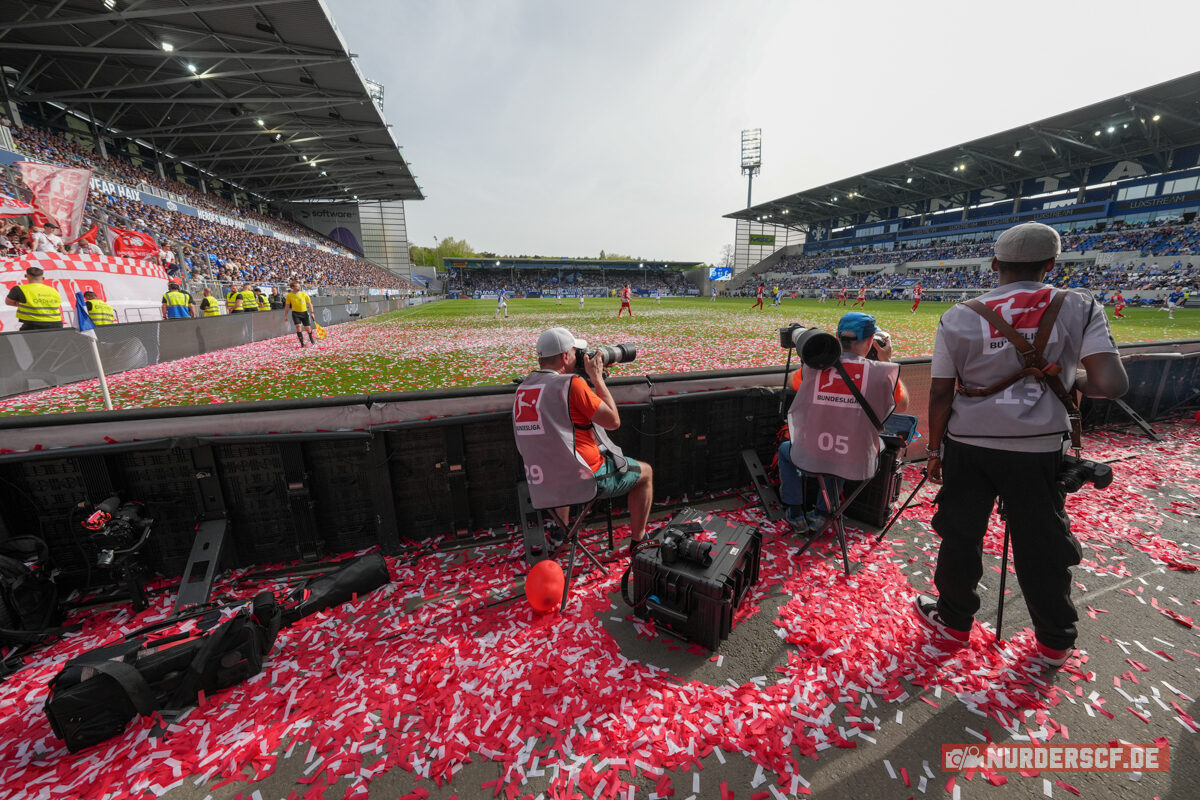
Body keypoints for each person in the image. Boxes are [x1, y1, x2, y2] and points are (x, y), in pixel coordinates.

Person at [917, 222, 1128, 668]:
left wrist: (935, 452)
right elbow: (1110, 384)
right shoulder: (1078, 304)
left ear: (995, 265)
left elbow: (940, 392)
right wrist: (1065, 377)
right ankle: (1054, 640)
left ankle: (953, 623)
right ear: (1051, 265)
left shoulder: (959, 313)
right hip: (1038, 448)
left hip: (969, 446)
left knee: (959, 535)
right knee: (1043, 541)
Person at [513, 327, 654, 555]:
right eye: (576, 352)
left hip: (543, 481)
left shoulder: (524, 388)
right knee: (645, 473)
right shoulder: (573, 385)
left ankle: (562, 534)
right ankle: (639, 540)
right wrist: (597, 378)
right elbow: (613, 421)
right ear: (565, 357)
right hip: (584, 478)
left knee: (560, 459)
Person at [777, 312, 906, 533]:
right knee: (841, 454)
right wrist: (886, 362)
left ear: (837, 337)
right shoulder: (881, 374)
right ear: (870, 342)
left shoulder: (814, 368)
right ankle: (822, 513)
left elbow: (791, 381)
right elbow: (902, 407)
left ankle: (795, 513)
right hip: (855, 458)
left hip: (812, 452)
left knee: (786, 450)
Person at [285, 281, 316, 348]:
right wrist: (285, 315)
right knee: (298, 327)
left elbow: (310, 304)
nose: (299, 287)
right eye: (297, 286)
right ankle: (302, 343)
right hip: (295, 313)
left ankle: (311, 338)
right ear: (292, 287)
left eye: (299, 286)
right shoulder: (289, 295)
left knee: (308, 328)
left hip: (304, 313)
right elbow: (287, 306)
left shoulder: (304, 294)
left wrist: (312, 313)